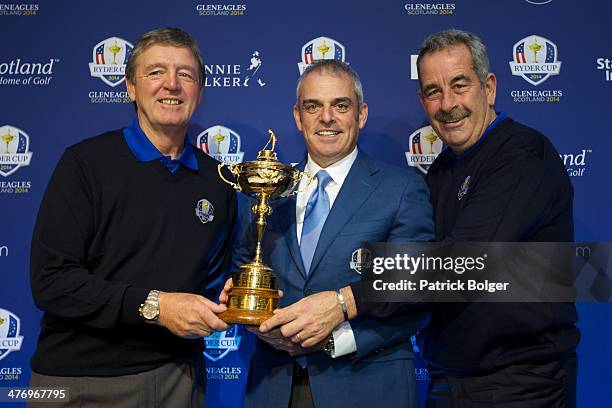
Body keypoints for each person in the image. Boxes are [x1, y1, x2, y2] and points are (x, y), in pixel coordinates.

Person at [269, 29, 580, 408]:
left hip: (519, 381)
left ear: (490, 87)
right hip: (450, 376)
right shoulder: (442, 170)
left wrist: (343, 300)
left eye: (459, 85)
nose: (447, 103)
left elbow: (461, 261)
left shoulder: (523, 155)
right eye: (433, 91)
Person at [29, 27, 236, 407]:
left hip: (179, 379)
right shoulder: (85, 164)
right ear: (130, 88)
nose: (171, 85)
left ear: (200, 92)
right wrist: (155, 306)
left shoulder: (218, 181)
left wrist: (229, 296)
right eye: (156, 72)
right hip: (82, 381)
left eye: (185, 75)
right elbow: (51, 281)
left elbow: (211, 282)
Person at [222, 59, 434, 408]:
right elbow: (244, 273)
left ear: (361, 114)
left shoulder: (401, 189)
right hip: (273, 387)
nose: (326, 117)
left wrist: (338, 338)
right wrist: (256, 321)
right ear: (297, 116)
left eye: (340, 105)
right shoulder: (268, 188)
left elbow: (416, 290)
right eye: (313, 106)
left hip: (366, 386)